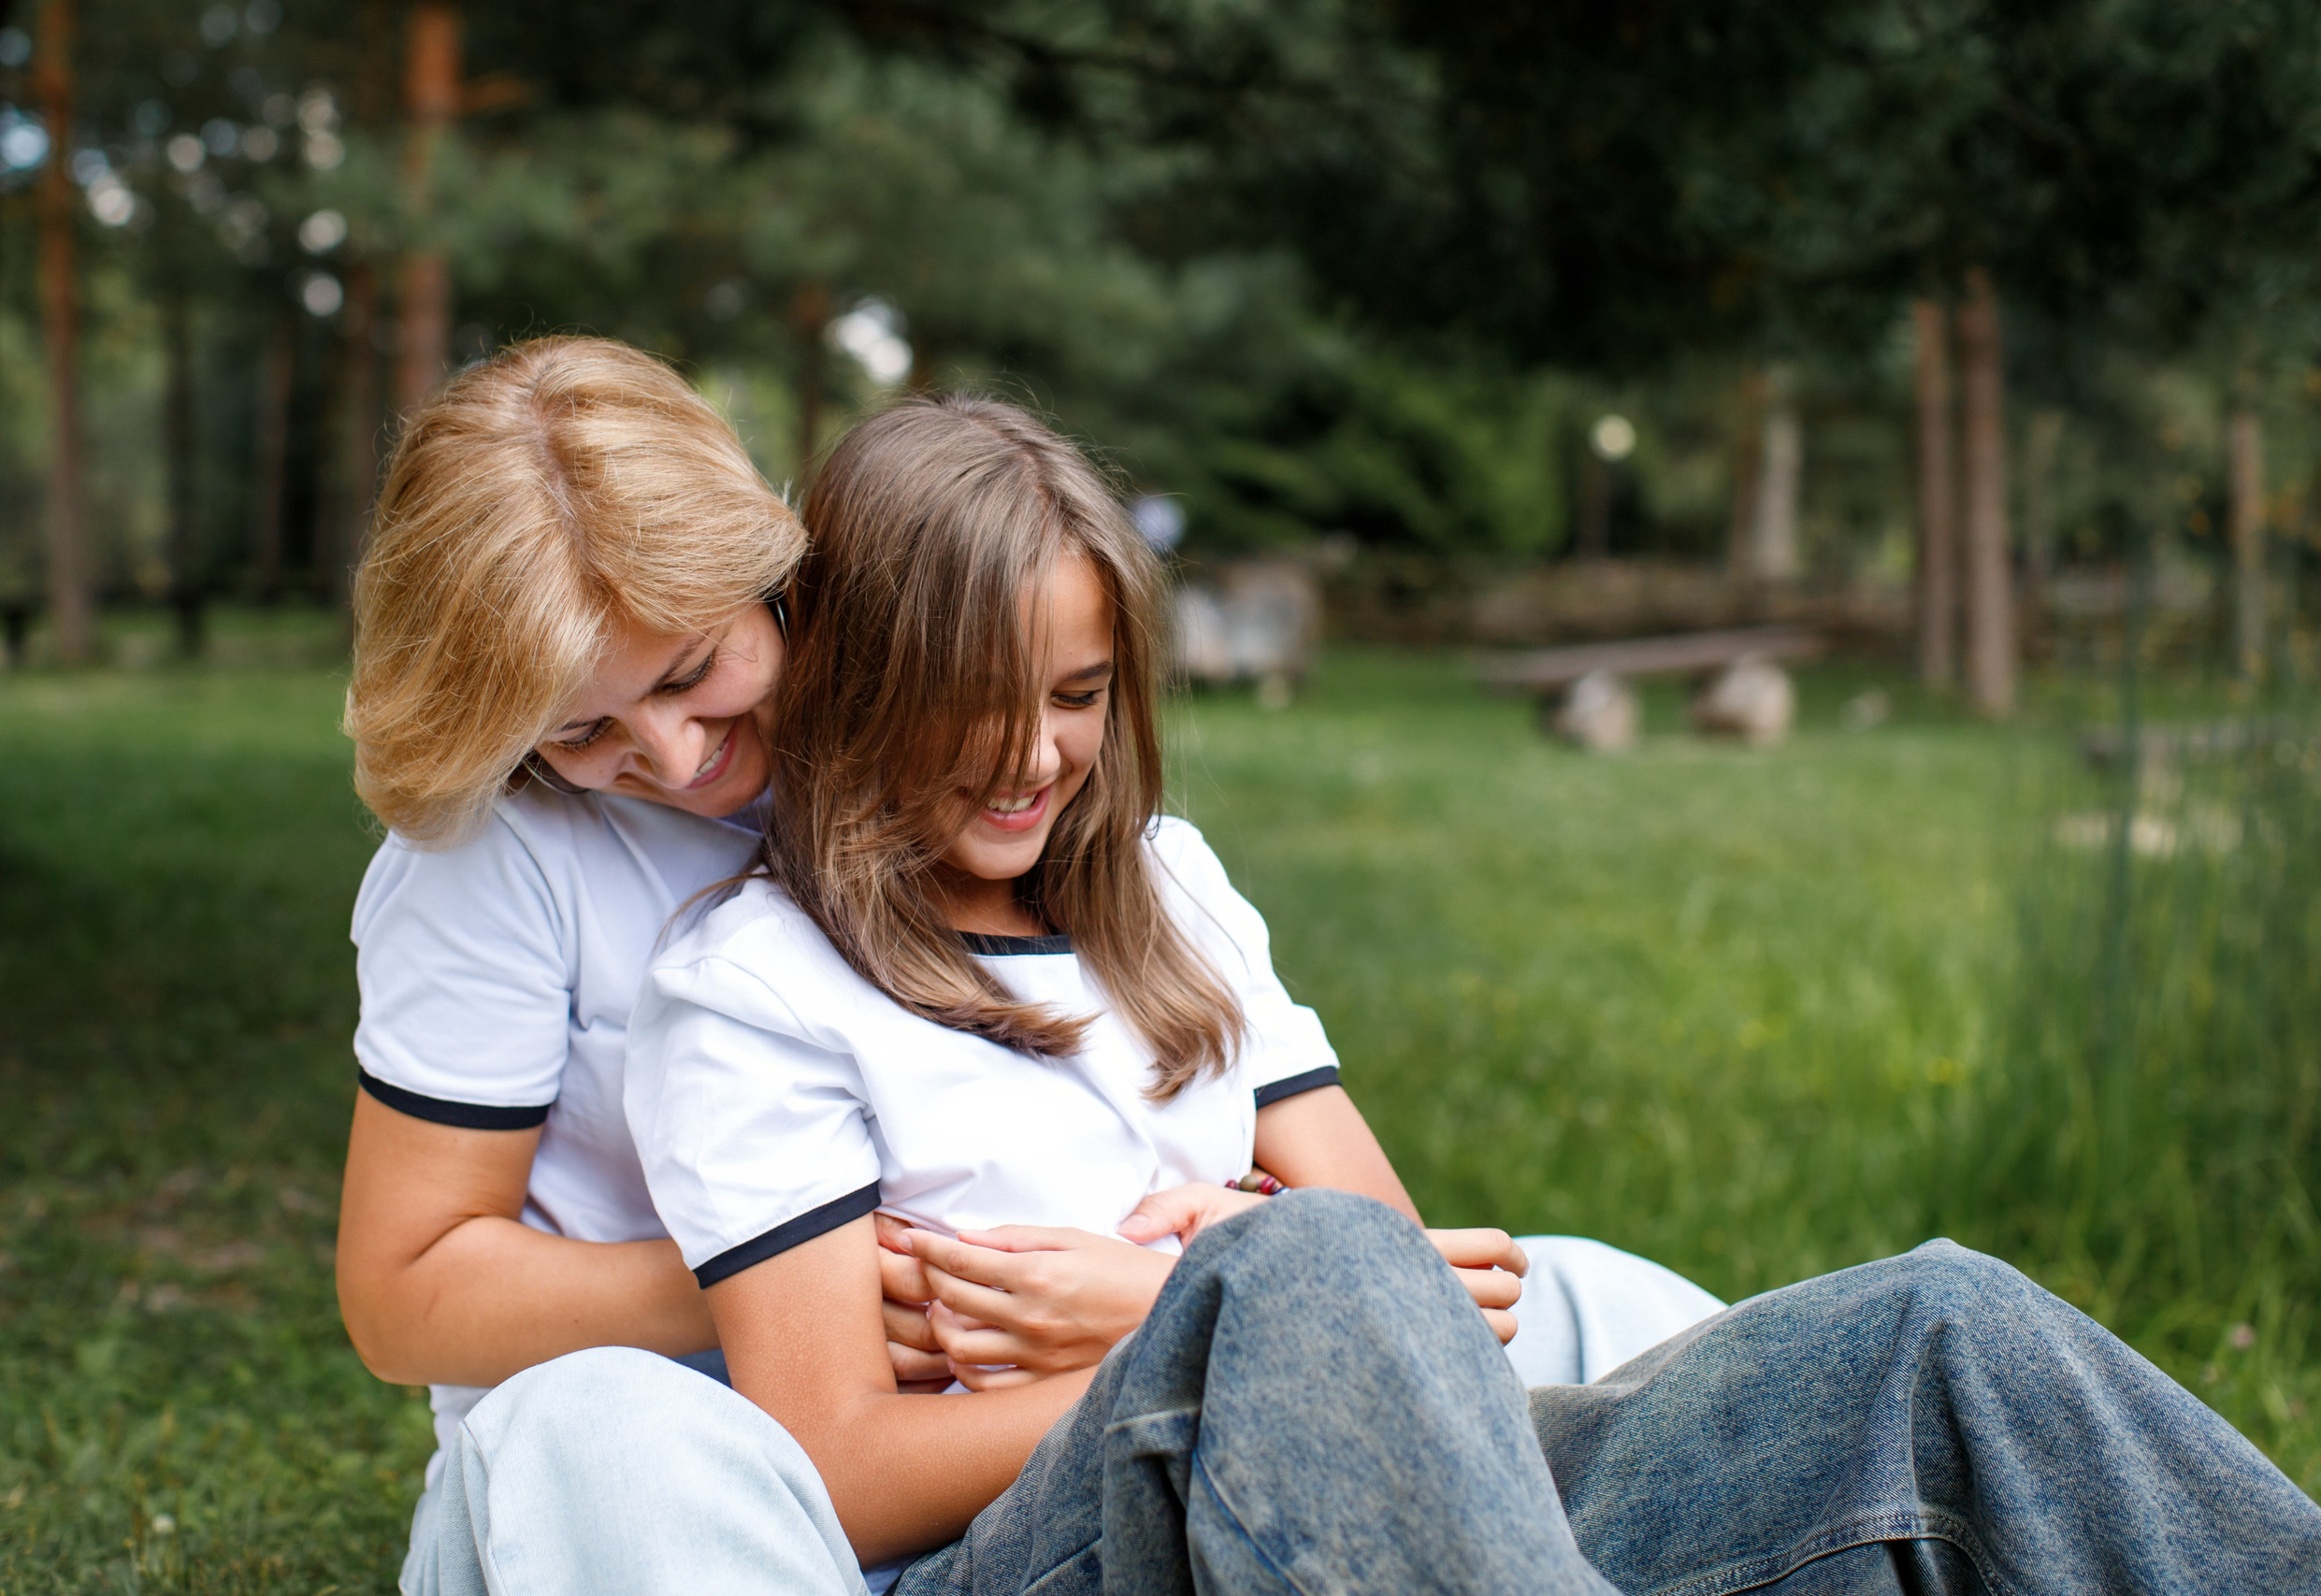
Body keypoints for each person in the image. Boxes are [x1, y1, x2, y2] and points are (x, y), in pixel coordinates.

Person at [533, 394, 2321, 1595]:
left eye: (1080, 694)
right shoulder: (755, 989)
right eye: (973, 700)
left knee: (1934, 1328)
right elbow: (840, 1474)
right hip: (1051, 1552)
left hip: (1398, 1503)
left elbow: (1416, 1285)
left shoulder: (1162, 891)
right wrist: (1187, 1324)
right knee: (1295, 1268)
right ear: (856, 672)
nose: (1034, 756)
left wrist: (1192, 1294)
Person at [331, 338, 1719, 1593]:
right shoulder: (497, 862)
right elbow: (403, 1295)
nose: (681, 758)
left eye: (696, 671)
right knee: (615, 1441)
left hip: (1043, 1403)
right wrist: (821, 1274)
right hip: (693, 1459)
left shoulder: (946, 779)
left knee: (1608, 1302)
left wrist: (1215, 1290)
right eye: (588, 731)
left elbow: (1340, 1232)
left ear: (778, 577)